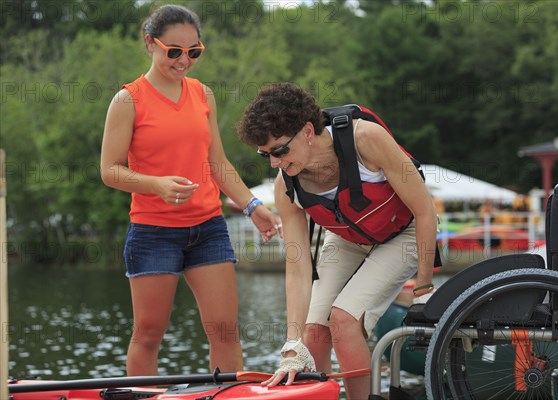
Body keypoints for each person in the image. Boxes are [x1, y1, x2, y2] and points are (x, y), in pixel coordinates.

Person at [100, 4, 281, 376]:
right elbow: (109, 171)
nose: (184, 60)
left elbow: (217, 164)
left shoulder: (203, 95)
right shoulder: (128, 100)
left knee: (225, 331)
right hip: (153, 233)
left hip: (207, 228)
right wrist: (156, 185)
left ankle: (226, 394)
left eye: (194, 52)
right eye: (174, 52)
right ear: (151, 44)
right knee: (149, 335)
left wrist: (252, 205)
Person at [236, 83, 438, 399]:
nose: (274, 162)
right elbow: (298, 267)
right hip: (346, 239)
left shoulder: (366, 140)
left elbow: (426, 210)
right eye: (265, 154)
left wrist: (424, 287)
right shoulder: (285, 187)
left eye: (279, 150)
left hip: (406, 233)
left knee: (343, 321)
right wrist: (292, 343)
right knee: (313, 331)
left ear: (306, 131)